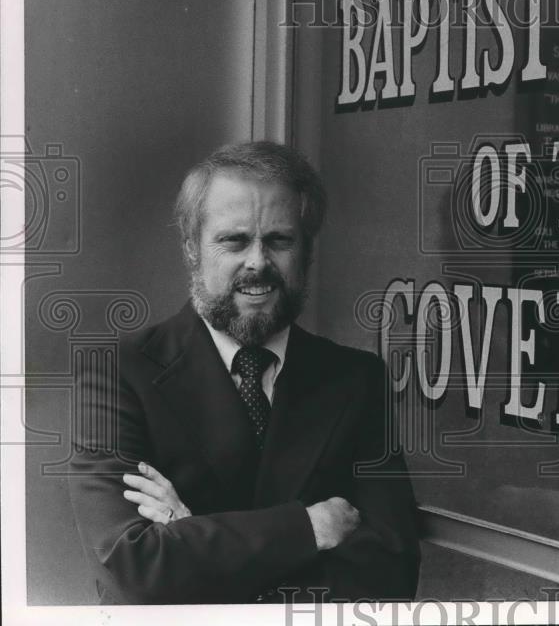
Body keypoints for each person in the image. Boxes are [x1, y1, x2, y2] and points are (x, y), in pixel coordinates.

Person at [67, 141, 420, 604]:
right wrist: (308, 528)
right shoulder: (116, 374)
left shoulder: (357, 379)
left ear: (306, 253)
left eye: (279, 240)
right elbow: (134, 566)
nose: (258, 261)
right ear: (192, 248)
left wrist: (190, 535)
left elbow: (388, 572)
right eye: (234, 240)